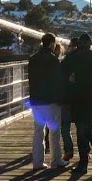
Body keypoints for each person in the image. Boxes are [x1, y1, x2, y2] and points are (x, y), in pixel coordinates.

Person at [62, 33, 92, 174]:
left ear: (78, 46)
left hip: (76, 100)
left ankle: (85, 163)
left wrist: (72, 82)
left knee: (82, 131)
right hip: (91, 100)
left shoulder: (73, 59)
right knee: (85, 129)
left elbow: (61, 72)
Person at [27, 33, 68, 169]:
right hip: (51, 100)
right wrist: (61, 99)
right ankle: (56, 160)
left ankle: (37, 163)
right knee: (54, 131)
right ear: (51, 43)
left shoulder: (32, 59)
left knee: (38, 131)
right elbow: (58, 81)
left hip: (36, 100)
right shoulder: (53, 59)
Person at [59, 36, 79, 162]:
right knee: (82, 127)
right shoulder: (88, 60)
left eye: (70, 46)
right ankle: (84, 152)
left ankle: (68, 151)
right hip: (82, 99)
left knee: (65, 127)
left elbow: (60, 78)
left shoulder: (66, 61)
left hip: (66, 98)